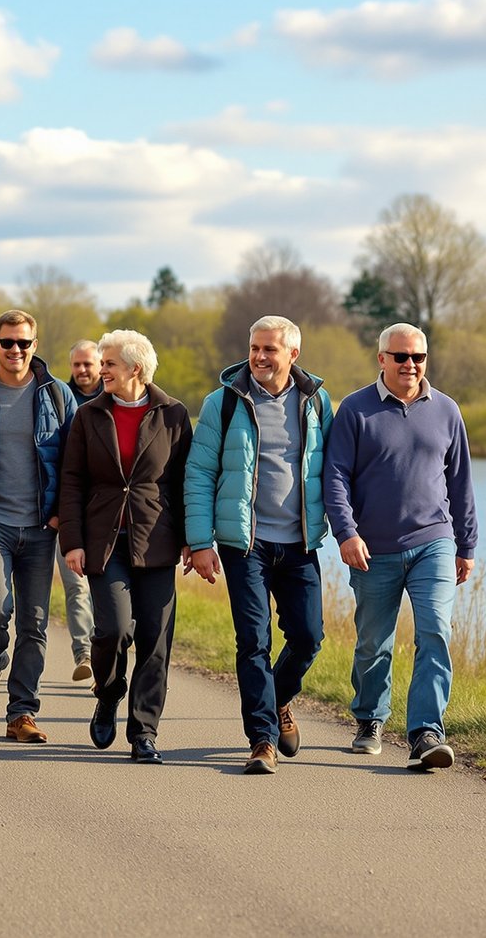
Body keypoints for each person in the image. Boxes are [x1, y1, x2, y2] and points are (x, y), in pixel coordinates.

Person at [183, 315, 335, 775]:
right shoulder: (224, 402)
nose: (260, 357)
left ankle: (278, 698)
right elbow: (199, 473)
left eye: (270, 349)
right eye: (255, 348)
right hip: (244, 544)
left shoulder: (316, 401)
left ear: (293, 354)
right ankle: (262, 740)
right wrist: (200, 541)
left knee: (308, 638)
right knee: (253, 641)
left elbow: (334, 470)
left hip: (300, 543)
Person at [324, 323, 478, 771]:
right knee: (374, 642)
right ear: (382, 359)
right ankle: (370, 718)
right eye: (401, 357)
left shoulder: (446, 410)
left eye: (418, 357)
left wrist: (466, 545)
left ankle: (426, 732)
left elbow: (461, 483)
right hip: (373, 548)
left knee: (435, 631)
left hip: (434, 541)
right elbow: (335, 477)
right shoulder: (355, 410)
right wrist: (346, 533)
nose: (411, 364)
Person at [58, 330, 193, 764]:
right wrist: (73, 542)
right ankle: (109, 691)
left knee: (155, 639)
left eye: (110, 363)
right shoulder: (89, 415)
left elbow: (185, 482)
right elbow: (72, 481)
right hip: (104, 542)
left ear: (135, 368)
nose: (102, 370)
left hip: (156, 541)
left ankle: (144, 733)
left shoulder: (173, 414)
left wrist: (191, 540)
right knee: (113, 629)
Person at [0, 310, 77, 743]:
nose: (16, 350)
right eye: (8, 342)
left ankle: (22, 712)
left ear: (35, 345)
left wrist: (60, 514)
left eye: (24, 343)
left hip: (41, 527)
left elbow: (73, 460)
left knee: (34, 622)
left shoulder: (57, 394)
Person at [55, 338, 104, 680]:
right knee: (75, 586)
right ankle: (83, 653)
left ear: (101, 365)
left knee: (103, 588)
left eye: (88, 364)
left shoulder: (113, 398)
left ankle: (105, 652)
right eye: (77, 364)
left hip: (103, 514)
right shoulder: (61, 400)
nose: (82, 370)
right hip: (68, 511)